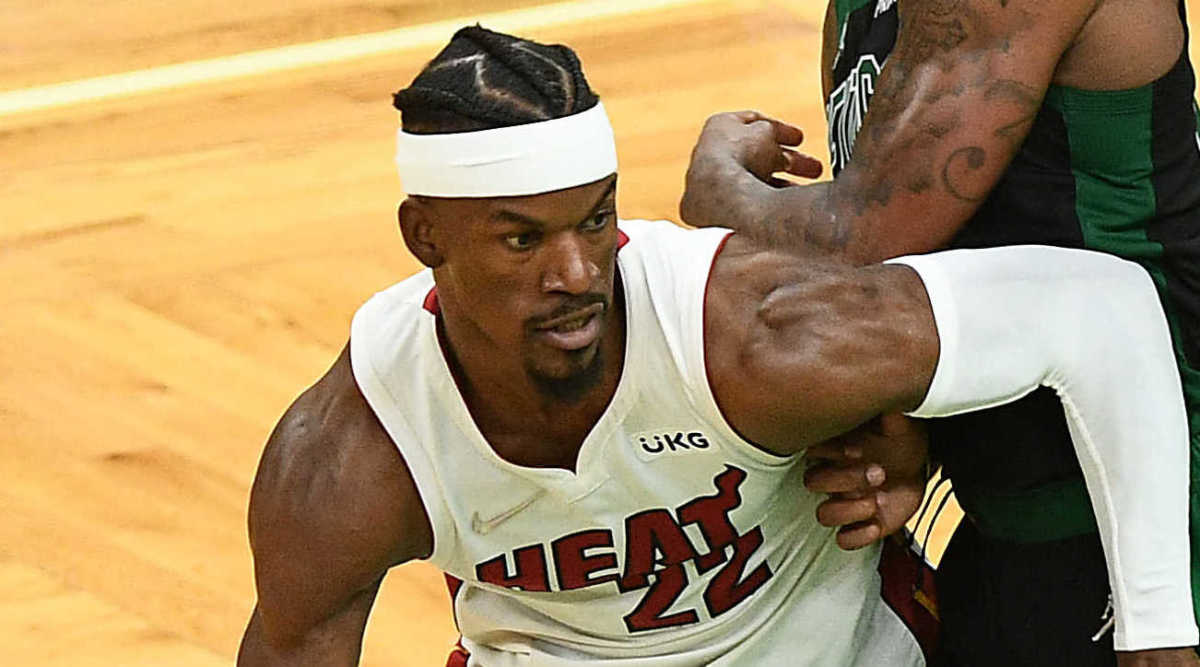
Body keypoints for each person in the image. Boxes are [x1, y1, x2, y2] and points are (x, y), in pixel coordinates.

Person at [237, 27, 1197, 666]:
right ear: (425, 240)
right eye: (523, 238)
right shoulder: (356, 458)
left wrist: (1157, 629)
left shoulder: (744, 337)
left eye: (594, 221)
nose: (578, 273)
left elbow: (1098, 305)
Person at [679, 0, 1200, 664]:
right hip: (1011, 508)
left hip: (1160, 500)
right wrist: (905, 438)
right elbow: (897, 264)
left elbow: (861, 233)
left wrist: (717, 186)